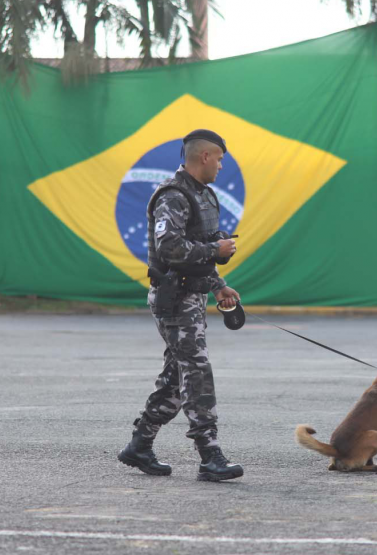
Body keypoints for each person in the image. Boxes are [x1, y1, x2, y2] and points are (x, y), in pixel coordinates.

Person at [118, 129, 243, 482]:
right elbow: (170, 248)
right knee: (197, 371)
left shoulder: (203, 196)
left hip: (193, 296)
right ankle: (210, 454)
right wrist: (215, 250)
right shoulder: (172, 196)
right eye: (219, 159)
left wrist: (217, 285)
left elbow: (199, 246)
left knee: (176, 378)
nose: (221, 166)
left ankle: (140, 444)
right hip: (174, 300)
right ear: (204, 156)